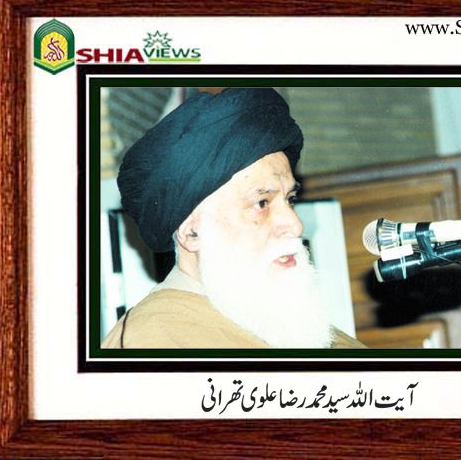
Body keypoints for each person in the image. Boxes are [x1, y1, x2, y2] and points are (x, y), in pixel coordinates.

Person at [101, 88, 365, 349]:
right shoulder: (152, 341)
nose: (296, 226)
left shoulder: (315, 334)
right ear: (192, 232)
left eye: (290, 200)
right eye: (261, 203)